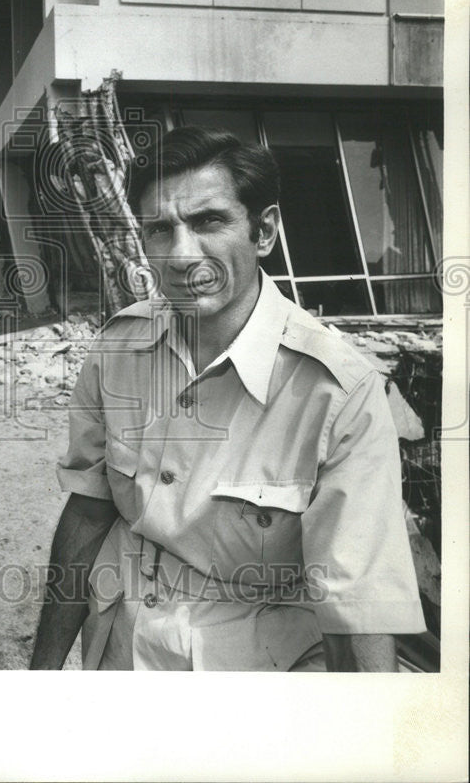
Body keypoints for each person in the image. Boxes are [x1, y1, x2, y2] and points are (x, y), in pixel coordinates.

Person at [30, 127, 426, 671]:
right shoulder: (120, 346)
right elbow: (89, 508)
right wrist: (42, 679)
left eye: (208, 222)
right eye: (160, 230)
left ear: (264, 232)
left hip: (254, 681)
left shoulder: (338, 391)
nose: (182, 254)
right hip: (120, 653)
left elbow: (358, 601)